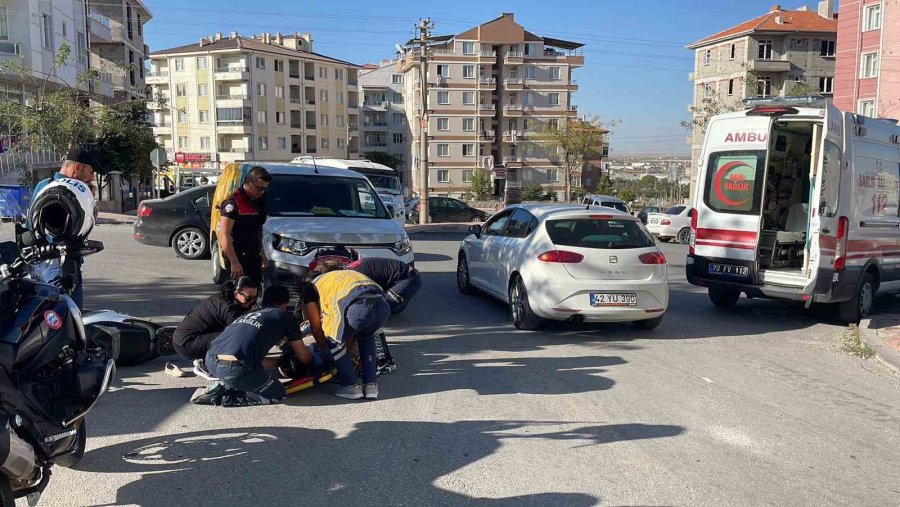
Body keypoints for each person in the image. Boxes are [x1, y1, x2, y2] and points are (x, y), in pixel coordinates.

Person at [190, 285, 312, 407]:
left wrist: (280, 361)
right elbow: (304, 357)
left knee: (244, 372)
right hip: (233, 368)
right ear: (284, 305)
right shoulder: (286, 316)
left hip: (211, 361)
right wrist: (313, 357)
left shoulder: (249, 315)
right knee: (277, 392)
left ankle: (223, 386)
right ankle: (223, 397)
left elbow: (252, 360)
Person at [28, 148, 105, 309]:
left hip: (45, 264)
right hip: (60, 266)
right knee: (67, 313)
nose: (92, 177)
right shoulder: (63, 193)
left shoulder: (45, 185)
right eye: (91, 172)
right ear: (77, 168)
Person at [300, 269, 390, 400]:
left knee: (332, 336)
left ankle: (350, 386)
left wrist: (327, 350)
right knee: (366, 338)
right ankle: (371, 386)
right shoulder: (339, 277)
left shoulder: (311, 287)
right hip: (382, 306)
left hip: (358, 307)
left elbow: (316, 327)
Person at [170, 277, 260, 378]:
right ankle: (206, 364)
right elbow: (243, 333)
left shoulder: (226, 297)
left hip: (185, 337)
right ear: (236, 293)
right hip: (187, 343)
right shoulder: (229, 309)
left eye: (255, 298)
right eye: (248, 299)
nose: (252, 302)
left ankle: (207, 357)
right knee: (234, 338)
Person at [218, 166, 271, 283]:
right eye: (259, 188)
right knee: (241, 291)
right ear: (248, 182)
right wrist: (234, 262)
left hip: (253, 255)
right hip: (238, 256)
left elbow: (256, 230)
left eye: (264, 189)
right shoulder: (233, 202)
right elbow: (223, 234)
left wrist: (262, 253)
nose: (262, 192)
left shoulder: (258, 201)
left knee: (254, 290)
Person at [348, 258, 421, 315]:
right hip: (403, 272)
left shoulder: (356, 277)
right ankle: (401, 300)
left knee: (380, 309)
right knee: (395, 308)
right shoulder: (350, 269)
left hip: (408, 278)